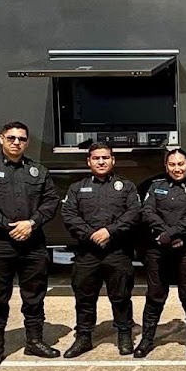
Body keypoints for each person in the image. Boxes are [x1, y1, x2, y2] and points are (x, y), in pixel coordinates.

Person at [0, 121, 61, 370]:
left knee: (34, 296)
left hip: (33, 244)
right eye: (11, 138)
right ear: (1, 139)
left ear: (27, 142)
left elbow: (51, 201)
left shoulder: (38, 171)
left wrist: (31, 223)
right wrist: (9, 225)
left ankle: (34, 341)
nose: (16, 142)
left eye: (21, 139)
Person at [60, 143, 142, 358]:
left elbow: (134, 213)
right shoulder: (77, 188)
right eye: (96, 158)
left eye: (105, 157)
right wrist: (91, 234)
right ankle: (84, 337)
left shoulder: (127, 187)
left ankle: (124, 335)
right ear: (89, 162)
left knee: (121, 296)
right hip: (87, 253)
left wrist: (109, 231)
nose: (101, 161)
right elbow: (69, 215)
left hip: (117, 252)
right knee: (84, 298)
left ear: (113, 160)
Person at [137, 148, 186, 359]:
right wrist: (164, 234)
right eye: (172, 165)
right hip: (158, 249)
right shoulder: (155, 186)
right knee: (155, 296)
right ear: (166, 166)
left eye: (180, 164)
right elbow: (147, 211)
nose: (177, 169)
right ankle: (146, 339)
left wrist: (172, 234)